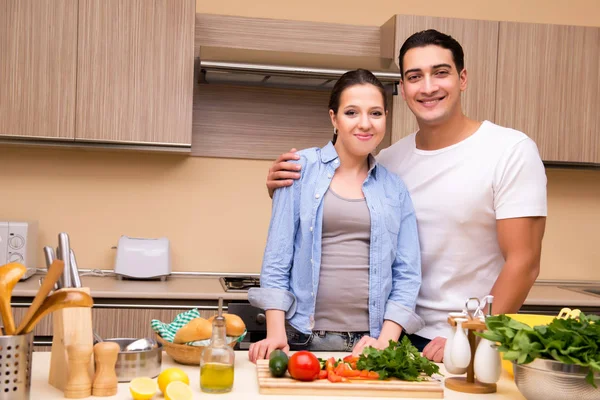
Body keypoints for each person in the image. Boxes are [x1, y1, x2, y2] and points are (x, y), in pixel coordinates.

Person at [265, 30, 547, 362]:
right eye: (415, 76)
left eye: (440, 72)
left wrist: (471, 333)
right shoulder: (387, 161)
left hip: (458, 339)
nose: (428, 87)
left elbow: (524, 262)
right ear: (402, 86)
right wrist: (282, 191)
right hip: (389, 336)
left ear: (463, 78)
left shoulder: (509, 151)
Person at [247, 69, 424, 363]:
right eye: (352, 112)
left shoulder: (395, 188)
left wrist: (384, 342)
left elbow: (407, 274)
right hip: (301, 338)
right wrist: (275, 331)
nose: (365, 123)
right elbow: (277, 258)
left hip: (370, 342)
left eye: (376, 113)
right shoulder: (298, 169)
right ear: (334, 118)